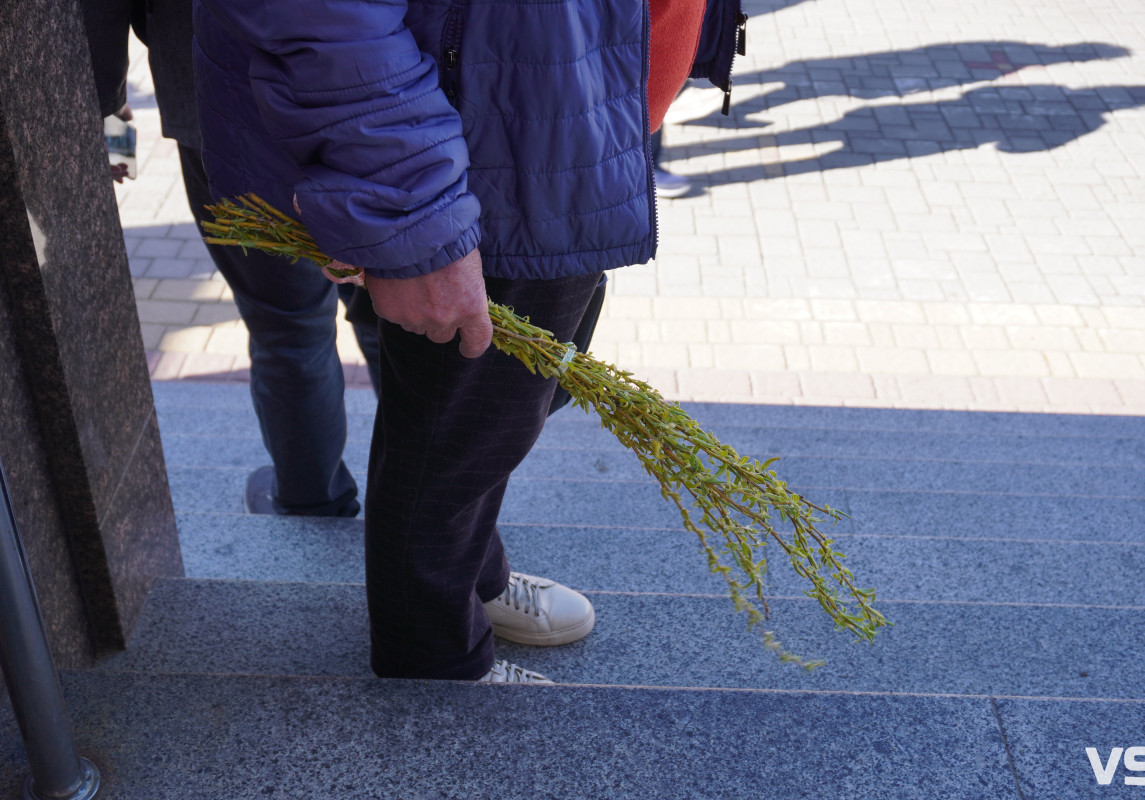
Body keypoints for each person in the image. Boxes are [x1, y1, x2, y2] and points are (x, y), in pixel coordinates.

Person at [193, 0, 739, 683]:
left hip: (564, 120)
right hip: (482, 148)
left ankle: (474, 579)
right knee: (454, 438)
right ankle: (437, 666)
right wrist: (415, 214)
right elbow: (325, 14)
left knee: (482, 425)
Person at [81, 0, 382, 520]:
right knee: (388, 314)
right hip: (371, 94)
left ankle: (311, 498)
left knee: (287, 324)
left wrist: (102, 100)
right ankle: (417, 499)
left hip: (216, 96)